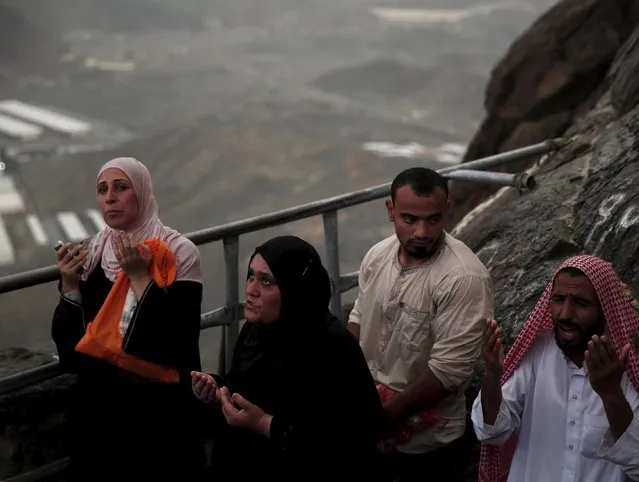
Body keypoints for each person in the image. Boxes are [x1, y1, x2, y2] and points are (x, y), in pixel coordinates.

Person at [51, 157, 206, 481]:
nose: (110, 197)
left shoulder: (178, 252)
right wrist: (69, 283)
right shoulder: (94, 251)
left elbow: (177, 342)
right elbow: (72, 349)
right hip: (101, 411)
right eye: (102, 189)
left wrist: (138, 276)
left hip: (157, 414)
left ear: (143, 193)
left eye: (121, 188)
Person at [191, 235, 385, 482]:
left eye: (267, 282)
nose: (251, 289)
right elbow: (245, 391)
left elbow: (352, 437)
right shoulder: (255, 331)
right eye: (251, 275)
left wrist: (265, 424)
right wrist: (217, 392)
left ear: (295, 290)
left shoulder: (332, 349)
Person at [347, 167, 494, 481]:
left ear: (447, 211)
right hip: (370, 423)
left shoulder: (463, 278)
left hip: (426, 446)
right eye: (410, 219)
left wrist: (381, 420)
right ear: (391, 211)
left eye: (433, 219)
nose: (422, 232)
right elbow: (359, 318)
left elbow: (449, 371)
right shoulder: (377, 256)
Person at [473, 255, 639, 482]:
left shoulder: (628, 365)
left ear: (605, 308)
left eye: (581, 303)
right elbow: (493, 432)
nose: (565, 314)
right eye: (559, 299)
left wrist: (611, 394)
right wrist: (492, 375)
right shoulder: (537, 353)